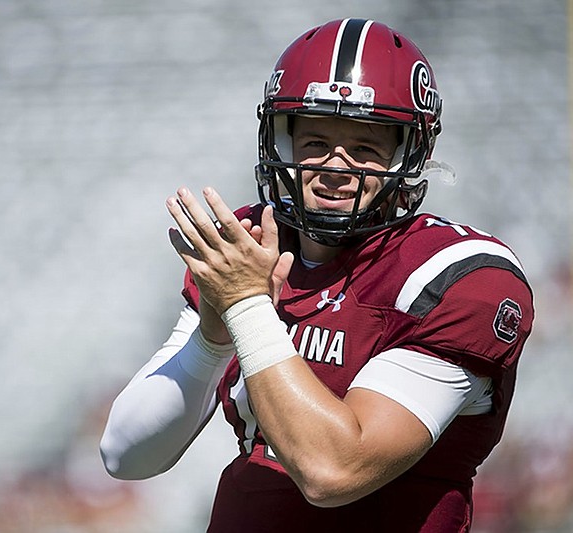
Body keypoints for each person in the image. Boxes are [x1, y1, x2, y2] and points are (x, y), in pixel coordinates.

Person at [99, 17, 533, 532]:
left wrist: (246, 309)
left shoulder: (454, 276)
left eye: (367, 147)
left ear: (411, 152)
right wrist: (213, 339)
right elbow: (126, 455)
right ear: (277, 140)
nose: (335, 166)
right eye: (314, 141)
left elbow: (334, 470)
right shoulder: (255, 243)